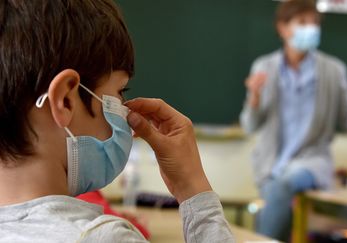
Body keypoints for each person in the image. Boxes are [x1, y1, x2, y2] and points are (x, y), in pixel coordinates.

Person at [0, 0, 234, 242]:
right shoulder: (103, 238)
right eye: (120, 91)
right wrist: (193, 187)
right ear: (65, 100)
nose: (126, 110)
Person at [239, 0, 347, 241]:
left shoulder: (333, 70)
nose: (311, 28)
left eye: (315, 23)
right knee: (276, 203)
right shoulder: (264, 67)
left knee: (283, 188)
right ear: (283, 28)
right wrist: (255, 98)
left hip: (312, 161)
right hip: (272, 164)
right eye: (302, 23)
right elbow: (249, 125)